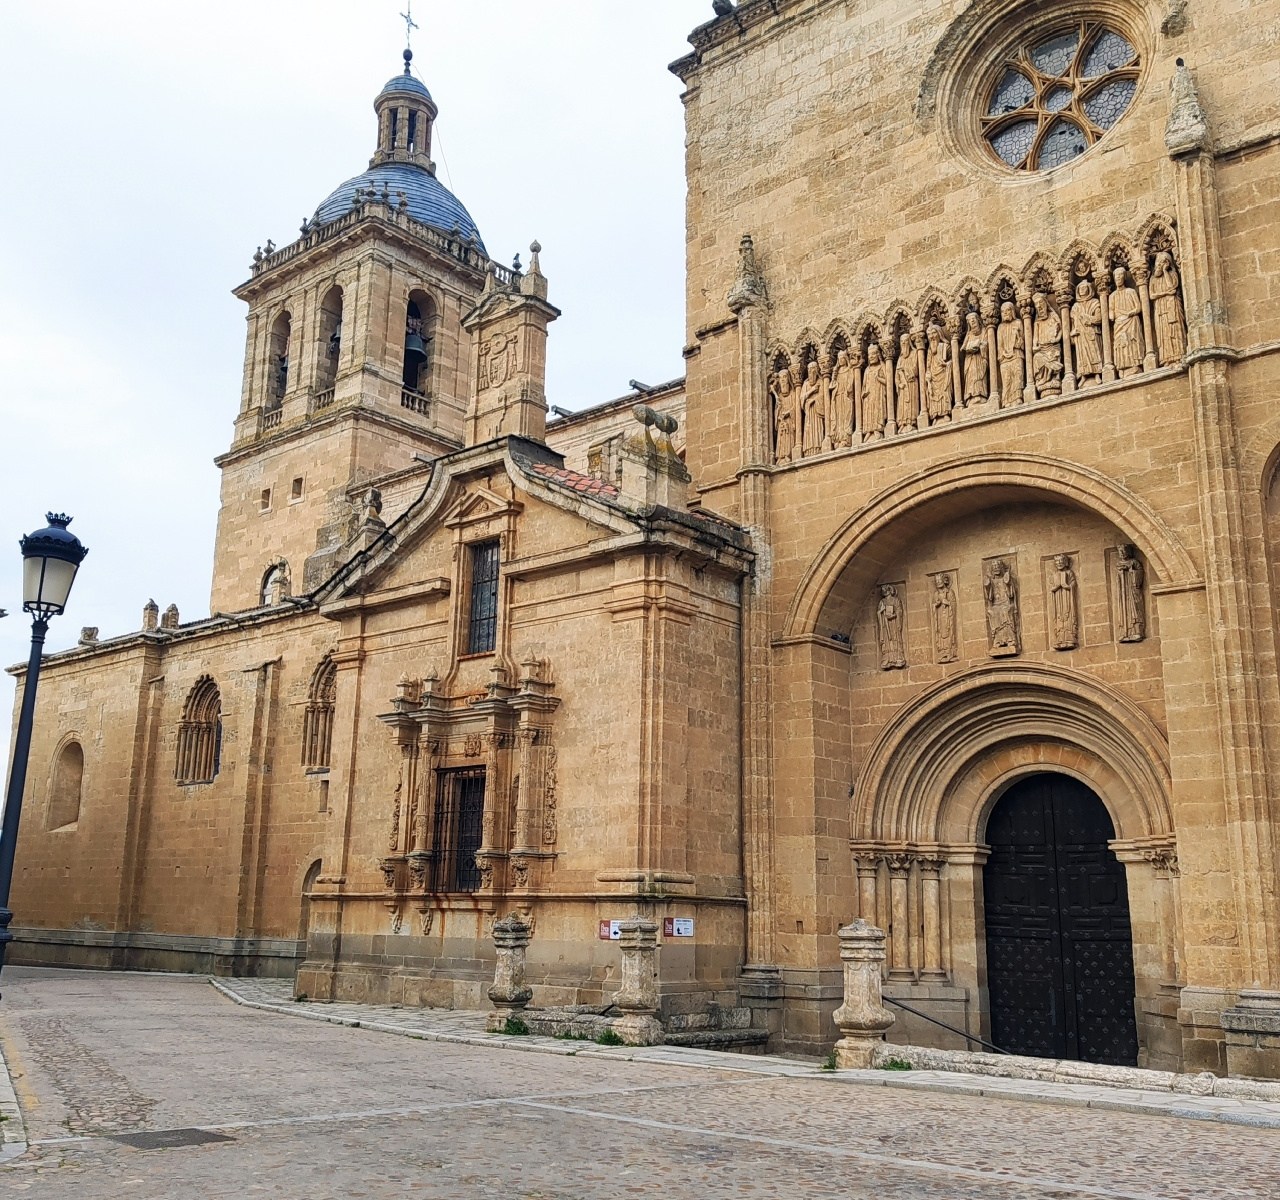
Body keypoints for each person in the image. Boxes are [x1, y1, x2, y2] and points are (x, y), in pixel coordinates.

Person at [1150, 251, 1186, 366]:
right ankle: (1166, 359)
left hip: (1171, 306)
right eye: (1158, 263)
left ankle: (1179, 354)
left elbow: (1171, 287)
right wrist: (1165, 293)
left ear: (1167, 263)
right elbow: (1152, 295)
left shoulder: (1172, 274)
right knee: (1163, 331)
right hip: (1160, 308)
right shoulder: (1153, 279)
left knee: (1173, 328)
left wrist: (1165, 271)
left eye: (1162, 263)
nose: (1159, 265)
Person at [1110, 266, 1145, 378]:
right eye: (1116, 276)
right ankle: (1122, 367)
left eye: (1120, 275)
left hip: (1131, 321)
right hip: (1119, 323)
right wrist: (1112, 315)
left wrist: (1130, 313)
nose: (1118, 278)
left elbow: (1138, 307)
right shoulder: (1112, 296)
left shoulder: (1131, 292)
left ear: (1124, 277)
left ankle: (1135, 365)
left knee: (1132, 341)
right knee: (1120, 344)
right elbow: (1111, 311)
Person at [996, 301, 1025, 407]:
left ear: (1012, 311)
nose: (1005, 313)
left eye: (1007, 310)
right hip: (1005, 357)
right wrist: (1003, 353)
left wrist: (1018, 340)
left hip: (1016, 354)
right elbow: (999, 344)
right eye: (1002, 311)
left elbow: (1023, 340)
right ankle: (1006, 401)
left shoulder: (1018, 323)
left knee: (1018, 376)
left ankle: (1018, 398)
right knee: (1006, 379)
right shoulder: (1000, 327)